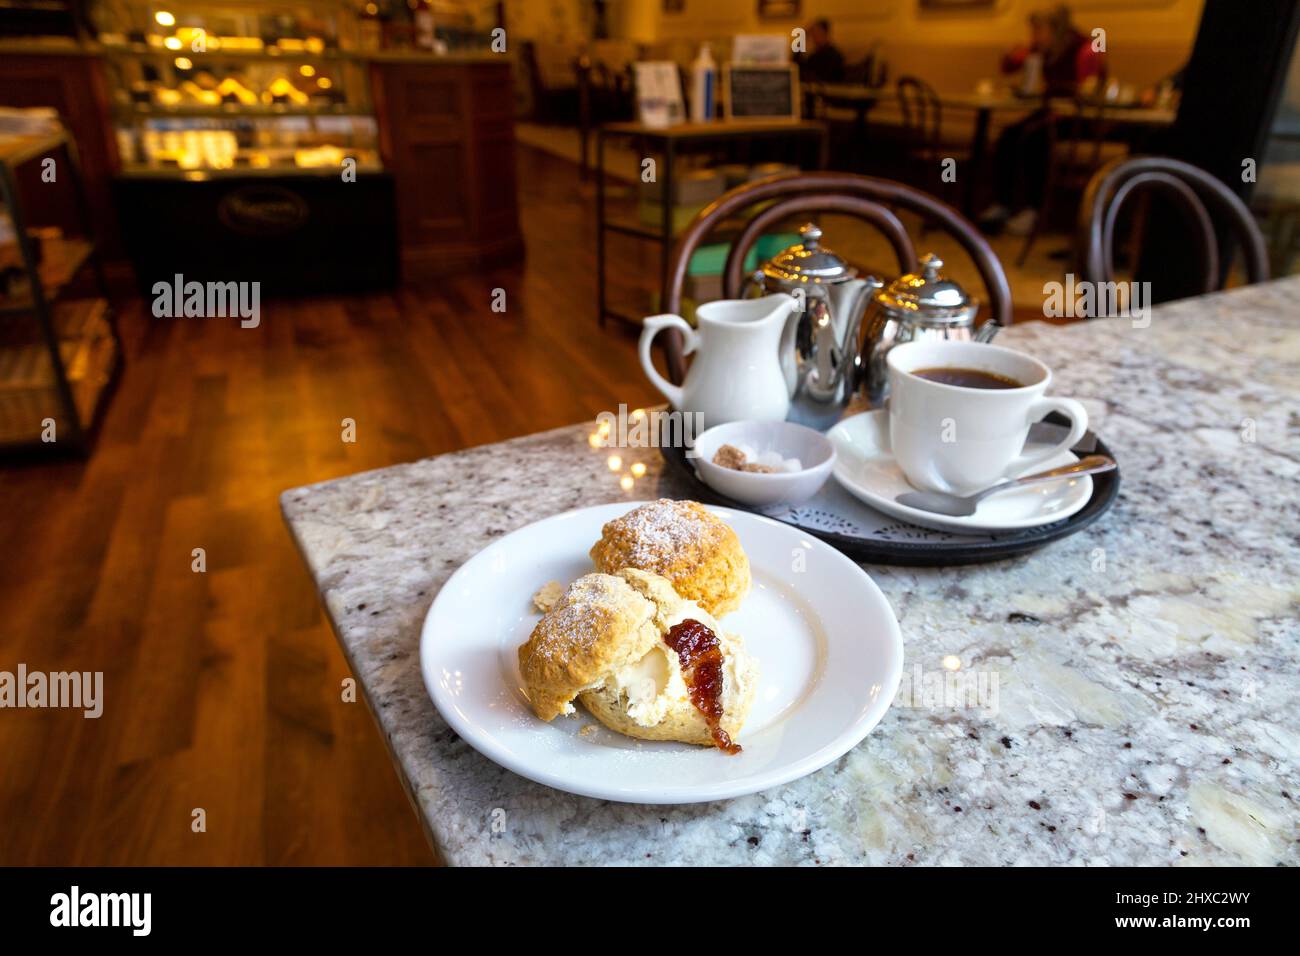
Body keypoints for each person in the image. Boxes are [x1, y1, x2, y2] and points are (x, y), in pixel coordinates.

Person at [978, 5, 1106, 236]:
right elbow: (1008, 68)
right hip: (1050, 113)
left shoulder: (1085, 48)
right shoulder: (1043, 49)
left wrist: (1058, 92)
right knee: (1010, 134)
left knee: (1035, 138)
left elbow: (1090, 88)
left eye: (1039, 31)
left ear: (1055, 30)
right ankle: (1003, 204)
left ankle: (1032, 209)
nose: (1035, 36)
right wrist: (1016, 53)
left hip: (1078, 119)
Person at [795, 18, 846, 84]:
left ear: (825, 33)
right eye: (812, 32)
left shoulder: (833, 55)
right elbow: (796, 66)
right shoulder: (815, 54)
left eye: (817, 32)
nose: (813, 36)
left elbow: (822, 78)